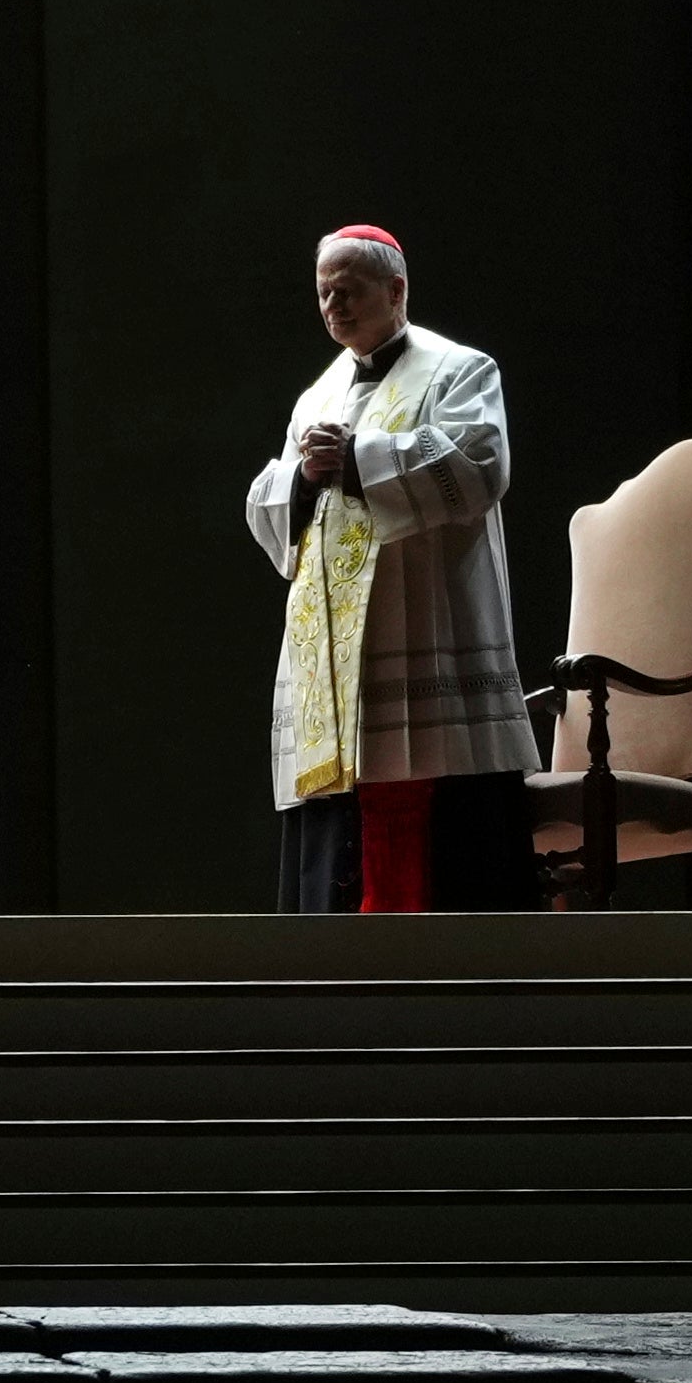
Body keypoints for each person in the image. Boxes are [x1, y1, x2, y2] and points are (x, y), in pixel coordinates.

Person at [245, 225, 535, 913]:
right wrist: (305, 478)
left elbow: (480, 464)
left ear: (396, 289)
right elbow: (270, 500)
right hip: (333, 661)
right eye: (324, 293)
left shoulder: (459, 369)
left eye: (348, 291)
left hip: (425, 621)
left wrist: (357, 457)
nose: (334, 306)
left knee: (445, 837)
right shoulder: (316, 395)